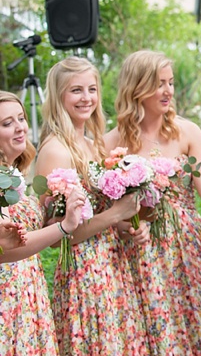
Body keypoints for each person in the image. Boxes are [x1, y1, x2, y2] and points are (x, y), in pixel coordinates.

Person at [105, 50, 201, 355]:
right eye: (159, 83)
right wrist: (127, 226)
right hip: (140, 251)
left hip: (189, 246)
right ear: (137, 87)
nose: (168, 91)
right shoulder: (111, 142)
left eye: (171, 82)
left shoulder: (187, 132)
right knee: (156, 334)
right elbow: (109, 212)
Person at [34, 57, 149, 355]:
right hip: (84, 275)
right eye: (76, 90)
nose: (86, 98)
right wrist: (115, 214)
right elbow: (57, 235)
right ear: (59, 96)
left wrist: (126, 226)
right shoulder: (56, 150)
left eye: (92, 89)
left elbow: (99, 217)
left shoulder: (91, 144)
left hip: (111, 266)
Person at [0, 90, 86, 355]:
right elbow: (6, 248)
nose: (20, 127)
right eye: (7, 123)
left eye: (21, 118)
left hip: (29, 288)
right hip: (7, 295)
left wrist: (58, 210)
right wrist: (64, 226)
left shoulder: (14, 174)